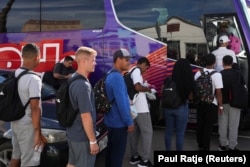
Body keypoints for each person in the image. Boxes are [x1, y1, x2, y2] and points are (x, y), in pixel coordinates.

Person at [9, 43, 46, 167]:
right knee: (29, 162)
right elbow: (35, 108)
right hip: (27, 126)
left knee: (15, 157)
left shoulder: (15, 74)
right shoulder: (33, 79)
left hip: (15, 123)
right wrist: (37, 133)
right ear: (37, 57)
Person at [66, 46, 99, 167]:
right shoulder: (83, 85)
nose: (95, 63)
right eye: (93, 60)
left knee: (71, 164)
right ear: (84, 61)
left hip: (72, 133)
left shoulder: (73, 78)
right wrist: (93, 141)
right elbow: (85, 115)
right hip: (82, 137)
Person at [104, 48, 134, 167]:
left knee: (110, 155)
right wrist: (129, 122)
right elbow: (122, 103)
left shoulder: (109, 74)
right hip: (118, 125)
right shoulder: (117, 78)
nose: (129, 62)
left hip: (109, 122)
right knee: (117, 157)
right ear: (118, 60)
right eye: (126, 60)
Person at [162, 58, 194, 151]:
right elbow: (191, 97)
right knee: (180, 133)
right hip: (181, 107)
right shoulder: (187, 80)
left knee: (168, 131)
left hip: (167, 108)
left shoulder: (168, 79)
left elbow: (162, 91)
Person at [128, 57, 154, 167]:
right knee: (147, 133)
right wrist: (148, 90)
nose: (145, 70)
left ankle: (134, 157)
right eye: (146, 68)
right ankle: (144, 160)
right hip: (141, 109)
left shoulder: (130, 71)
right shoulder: (137, 70)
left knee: (134, 133)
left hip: (132, 108)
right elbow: (137, 87)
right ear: (142, 64)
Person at [194, 53, 223, 151]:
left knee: (200, 125)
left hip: (200, 103)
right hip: (212, 104)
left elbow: (195, 88)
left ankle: (200, 146)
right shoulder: (217, 75)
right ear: (214, 62)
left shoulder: (198, 73)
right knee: (208, 127)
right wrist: (221, 105)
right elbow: (218, 92)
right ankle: (206, 148)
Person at [218, 55, 245, 151]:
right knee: (233, 125)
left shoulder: (220, 74)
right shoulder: (238, 74)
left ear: (223, 63)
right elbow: (243, 87)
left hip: (223, 103)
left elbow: (218, 90)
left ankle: (223, 144)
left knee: (222, 124)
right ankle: (232, 146)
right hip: (236, 102)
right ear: (232, 62)